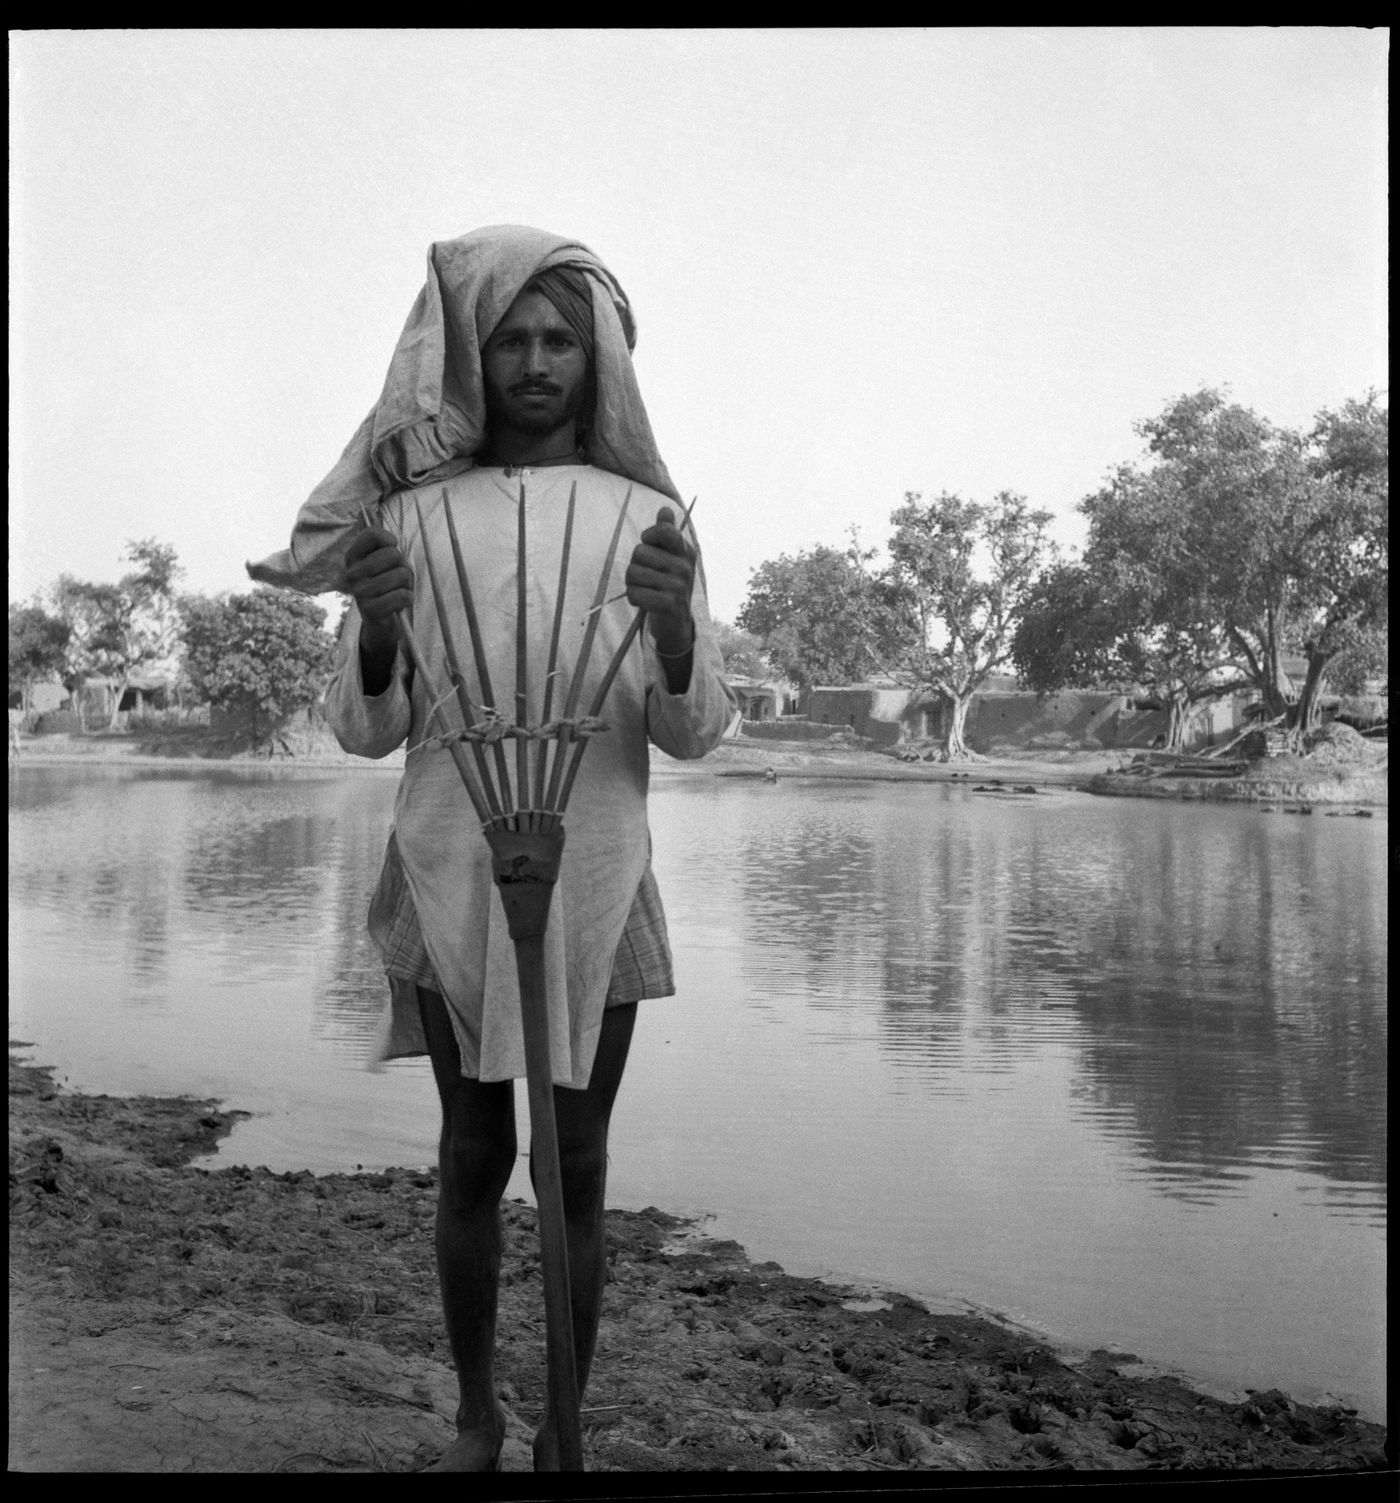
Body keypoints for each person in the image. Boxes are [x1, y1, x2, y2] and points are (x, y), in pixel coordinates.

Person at [248, 225, 734, 1471]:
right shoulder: (405, 520)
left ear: (597, 361)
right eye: (509, 339)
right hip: (451, 865)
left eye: (559, 341)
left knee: (575, 1160)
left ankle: (566, 1417)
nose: (533, 362)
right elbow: (365, 730)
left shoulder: (646, 518)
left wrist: (674, 629)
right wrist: (371, 623)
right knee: (472, 1150)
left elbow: (691, 732)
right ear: (471, 355)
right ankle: (477, 1413)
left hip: (597, 872)